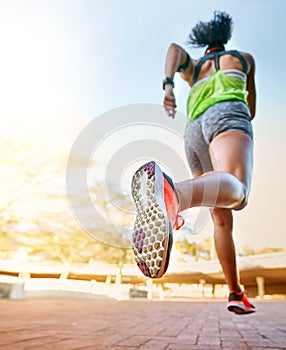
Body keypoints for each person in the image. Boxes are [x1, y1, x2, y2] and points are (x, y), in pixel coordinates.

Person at [131, 11, 256, 314]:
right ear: (224, 39)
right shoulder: (242, 58)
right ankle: (175, 196)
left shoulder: (195, 66)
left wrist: (169, 85)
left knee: (222, 217)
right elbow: (251, 108)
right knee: (237, 191)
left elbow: (174, 49)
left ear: (204, 43)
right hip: (226, 116)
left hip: (194, 131)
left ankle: (236, 292)